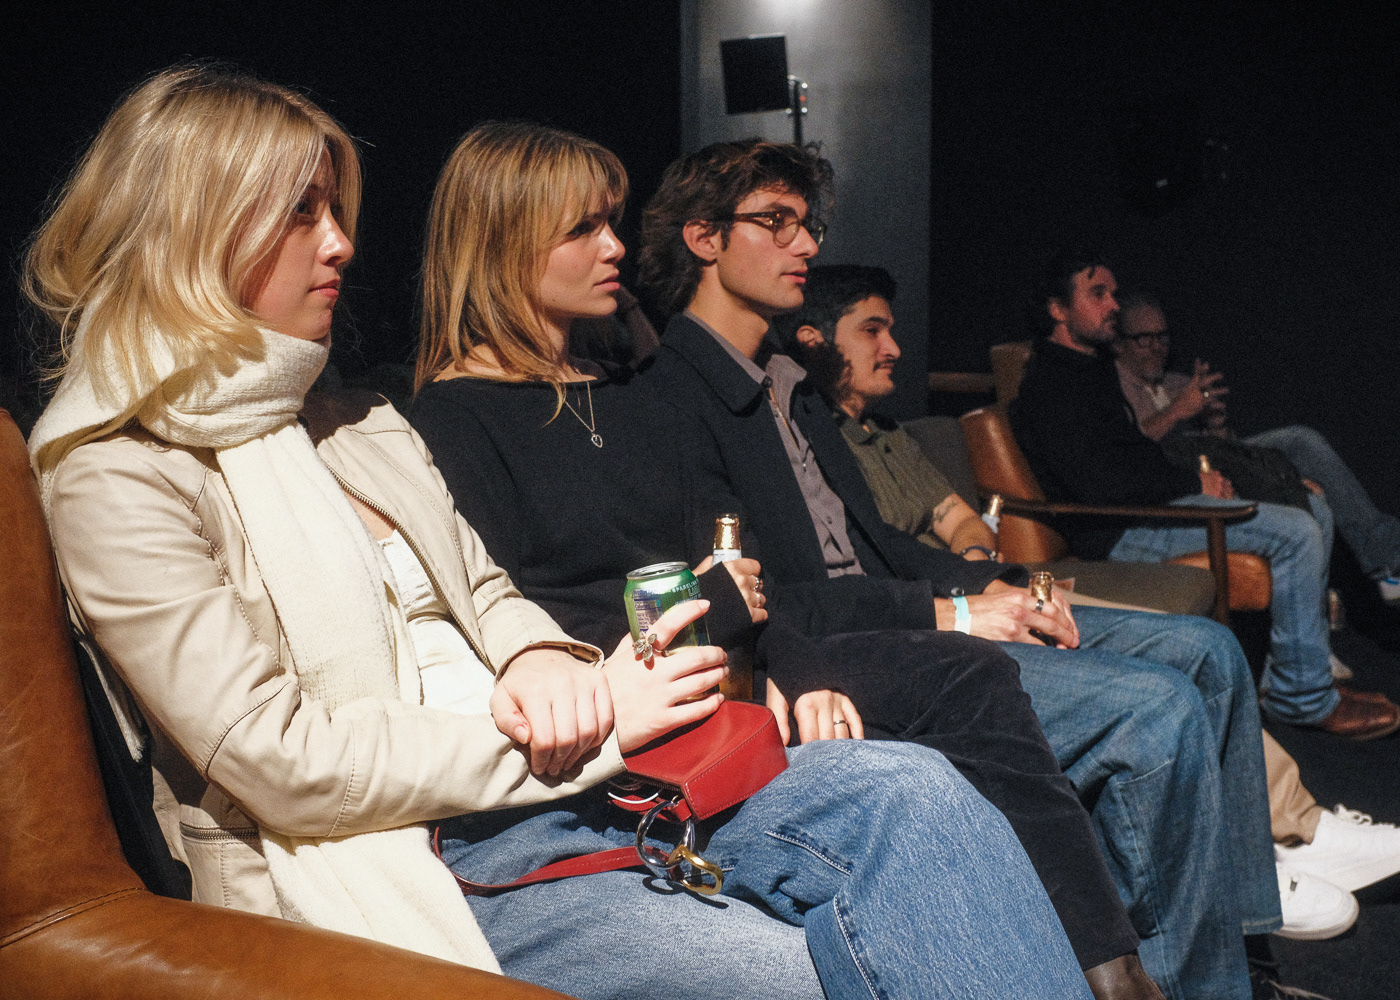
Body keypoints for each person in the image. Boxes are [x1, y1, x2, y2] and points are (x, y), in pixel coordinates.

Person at [23, 67, 1092, 1000]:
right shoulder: (116, 467)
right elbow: (274, 755)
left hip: (577, 781)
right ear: (191, 228)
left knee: (916, 789)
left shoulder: (350, 417)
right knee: (787, 975)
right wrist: (589, 721)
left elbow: (489, 589)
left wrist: (542, 656)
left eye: (334, 207)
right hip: (410, 847)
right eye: (299, 213)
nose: (341, 240)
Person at [407, 121, 1163, 1000]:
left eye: (611, 222)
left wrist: (797, 671)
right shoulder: (449, 422)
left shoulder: (635, 398)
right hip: (621, 747)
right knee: (922, 774)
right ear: (504, 242)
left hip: (725, 692)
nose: (614, 247)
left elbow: (734, 568)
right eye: (584, 228)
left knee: (942, 751)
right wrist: (723, 619)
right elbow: (530, 618)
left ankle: (1107, 970)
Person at [635, 138, 1293, 1000]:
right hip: (850, 650)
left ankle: (1241, 953)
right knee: (1156, 710)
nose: (807, 243)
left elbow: (877, 542)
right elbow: (764, 605)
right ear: (703, 237)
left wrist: (996, 583)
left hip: (898, 617)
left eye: (808, 223)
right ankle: (1187, 985)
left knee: (1207, 651)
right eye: (778, 222)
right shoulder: (671, 396)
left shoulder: (788, 381)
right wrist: (949, 613)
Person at [781, 262, 1400, 931]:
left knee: (1207, 646)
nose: (895, 347)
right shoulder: (813, 437)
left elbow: (959, 518)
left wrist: (980, 568)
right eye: (872, 331)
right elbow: (870, 562)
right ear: (814, 341)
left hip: (971, 583)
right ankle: (1274, 839)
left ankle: (1279, 839)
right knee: (1168, 677)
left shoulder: (886, 431)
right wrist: (966, 599)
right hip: (956, 597)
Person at [1010, 250, 1400, 740]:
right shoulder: (1052, 384)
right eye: (1098, 293)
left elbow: (1134, 459)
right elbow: (1101, 483)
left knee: (1314, 510)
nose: (1114, 304)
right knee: (1297, 531)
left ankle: (1304, 676)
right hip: (1114, 529)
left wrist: (1201, 479)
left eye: (1113, 293)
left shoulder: (1089, 369)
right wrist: (1193, 486)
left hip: (1144, 509)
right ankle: (1302, 699)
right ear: (1058, 309)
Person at [1116, 291, 1400, 607]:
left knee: (1300, 440)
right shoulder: (1114, 388)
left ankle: (1388, 559)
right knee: (1303, 495)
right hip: (1171, 477)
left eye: (1162, 337)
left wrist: (1216, 424)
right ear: (1120, 344)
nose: (1157, 347)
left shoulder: (1179, 382)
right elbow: (1127, 451)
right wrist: (1176, 411)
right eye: (1144, 339)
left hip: (1211, 462)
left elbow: (1228, 451)